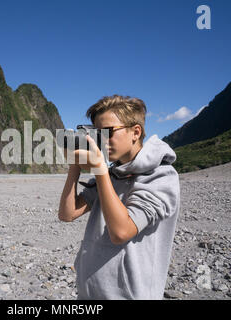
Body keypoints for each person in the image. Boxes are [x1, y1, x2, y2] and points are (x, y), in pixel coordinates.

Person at [58, 94, 180, 300]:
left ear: (135, 131)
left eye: (108, 132)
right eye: (98, 134)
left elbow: (121, 232)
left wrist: (100, 169)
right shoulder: (113, 174)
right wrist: (74, 166)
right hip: (91, 293)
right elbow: (67, 214)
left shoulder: (161, 176)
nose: (102, 141)